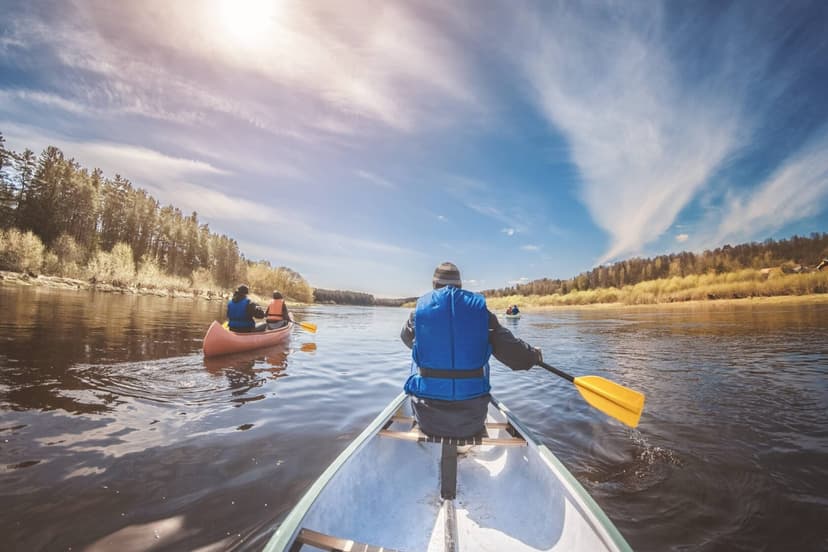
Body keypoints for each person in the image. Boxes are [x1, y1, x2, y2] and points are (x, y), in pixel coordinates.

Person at [400, 262, 542, 438]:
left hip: (427, 419)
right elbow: (512, 351)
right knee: (483, 350)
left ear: (434, 285)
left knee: (417, 353)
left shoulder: (418, 314)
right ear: (460, 285)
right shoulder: (481, 313)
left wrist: (432, 344)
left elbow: (405, 338)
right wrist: (533, 355)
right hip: (472, 419)